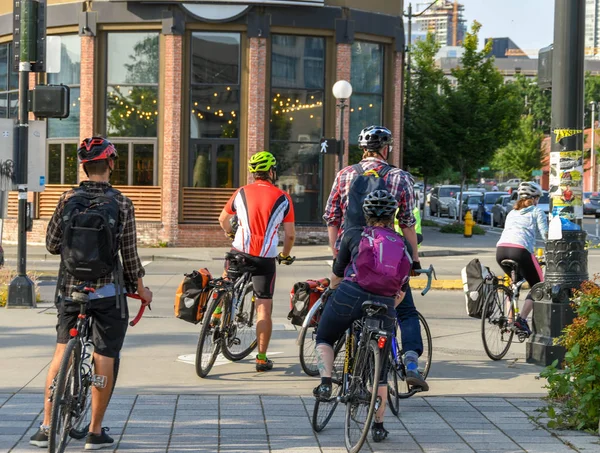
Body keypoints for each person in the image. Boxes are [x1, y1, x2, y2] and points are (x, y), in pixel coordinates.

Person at [30, 137, 152, 450]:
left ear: (84, 166)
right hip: (107, 292)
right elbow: (129, 253)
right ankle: (95, 432)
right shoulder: (121, 202)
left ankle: (46, 427)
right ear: (110, 164)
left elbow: (52, 244)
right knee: (104, 356)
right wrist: (141, 289)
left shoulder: (67, 197)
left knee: (60, 351)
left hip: (70, 289)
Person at [323, 125, 428, 390]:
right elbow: (407, 222)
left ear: (363, 149)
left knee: (351, 306)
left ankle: (355, 366)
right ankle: (412, 361)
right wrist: (414, 259)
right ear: (386, 149)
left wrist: (337, 252)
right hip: (387, 253)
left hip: (351, 251)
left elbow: (332, 218)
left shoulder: (345, 175)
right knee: (405, 311)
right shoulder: (401, 178)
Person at [314, 190, 410, 443]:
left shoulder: (353, 234)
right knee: (381, 370)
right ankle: (378, 426)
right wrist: (388, 303)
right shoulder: (403, 243)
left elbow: (337, 273)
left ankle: (325, 383)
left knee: (324, 335)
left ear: (366, 214)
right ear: (393, 216)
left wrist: (333, 292)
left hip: (351, 293)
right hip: (386, 303)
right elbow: (402, 289)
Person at [218, 151, 296, 372]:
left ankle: (215, 315)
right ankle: (261, 358)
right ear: (271, 172)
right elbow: (290, 235)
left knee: (225, 282)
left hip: (239, 251)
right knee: (263, 308)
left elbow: (223, 219)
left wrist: (230, 235)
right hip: (264, 259)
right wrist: (284, 255)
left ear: (254, 173)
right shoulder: (283, 197)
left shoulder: (241, 192)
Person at [496, 181, 548, 336]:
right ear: (535, 198)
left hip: (501, 250)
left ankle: (509, 320)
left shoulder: (512, 212)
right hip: (520, 251)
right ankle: (522, 320)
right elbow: (546, 235)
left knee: (514, 284)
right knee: (539, 286)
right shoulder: (537, 212)